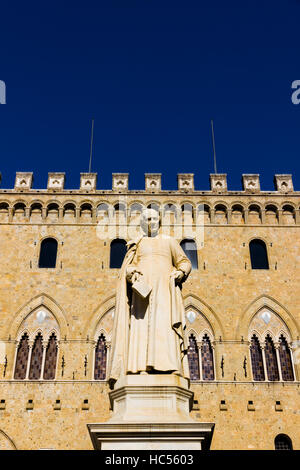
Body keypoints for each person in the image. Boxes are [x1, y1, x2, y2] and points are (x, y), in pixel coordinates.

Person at [108, 208, 192, 388]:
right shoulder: (137, 244)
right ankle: (139, 367)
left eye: (154, 219)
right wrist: (131, 274)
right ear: (142, 223)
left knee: (164, 327)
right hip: (142, 296)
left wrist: (180, 272)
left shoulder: (169, 241)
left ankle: (170, 367)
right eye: (147, 219)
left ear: (159, 221)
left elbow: (184, 261)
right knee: (141, 329)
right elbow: (128, 268)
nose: (151, 222)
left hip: (164, 292)